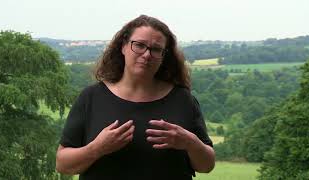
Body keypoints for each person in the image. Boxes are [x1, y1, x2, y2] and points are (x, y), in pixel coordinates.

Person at [56, 15, 215, 180]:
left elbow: (206, 165)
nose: (147, 55)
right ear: (123, 46)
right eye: (139, 45)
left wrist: (190, 143)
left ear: (163, 56)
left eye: (155, 49)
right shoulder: (92, 97)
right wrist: (97, 148)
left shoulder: (183, 100)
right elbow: (63, 165)